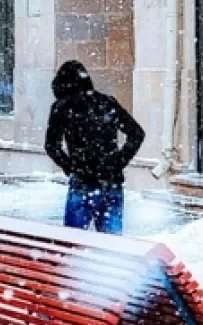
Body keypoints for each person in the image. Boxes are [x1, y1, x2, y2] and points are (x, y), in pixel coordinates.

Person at [45, 60, 144, 236]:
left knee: (74, 242)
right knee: (111, 244)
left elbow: (52, 145)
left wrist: (70, 166)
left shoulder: (62, 108)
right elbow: (136, 133)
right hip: (110, 181)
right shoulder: (107, 103)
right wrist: (118, 161)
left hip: (83, 181)